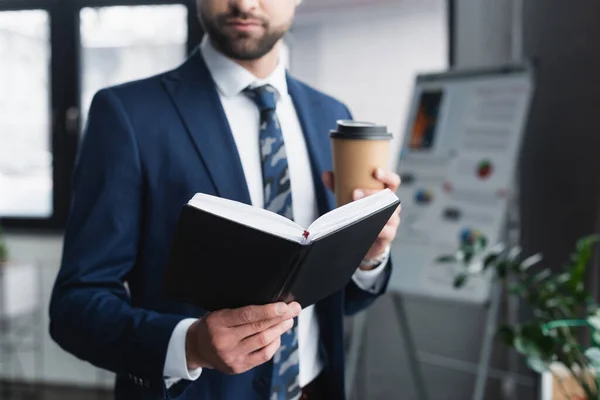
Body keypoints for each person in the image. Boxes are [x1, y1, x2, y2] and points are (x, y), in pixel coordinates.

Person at [49, 0, 401, 399]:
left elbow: (339, 303)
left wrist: (368, 256)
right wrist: (190, 345)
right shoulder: (128, 114)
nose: (245, 3)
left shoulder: (331, 115)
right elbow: (74, 307)